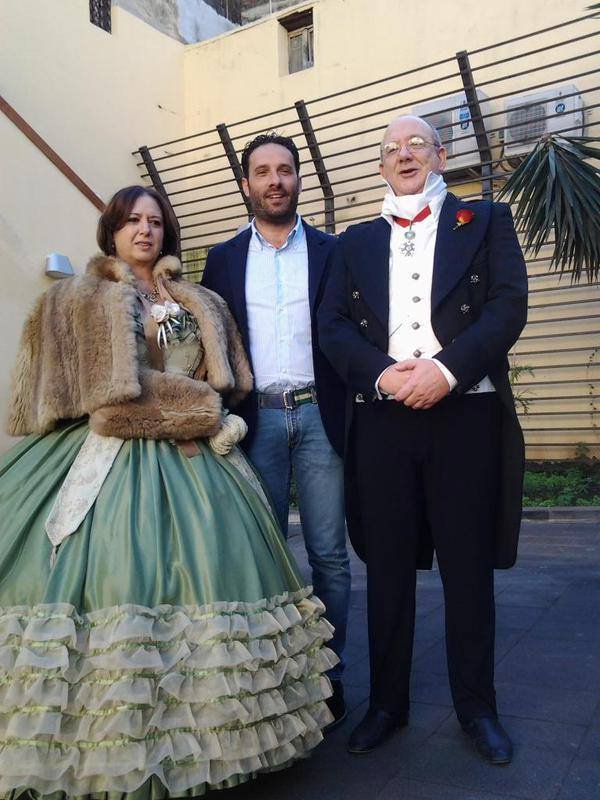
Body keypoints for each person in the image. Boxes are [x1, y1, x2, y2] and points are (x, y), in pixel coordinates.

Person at [0, 185, 338, 798]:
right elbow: (99, 391)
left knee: (213, 570)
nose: (145, 231)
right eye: (132, 220)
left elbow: (222, 376)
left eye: (155, 222)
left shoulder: (196, 297)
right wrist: (197, 410)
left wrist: (207, 407)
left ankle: (207, 736)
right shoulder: (79, 296)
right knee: (112, 568)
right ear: (111, 230)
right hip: (108, 448)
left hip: (199, 457)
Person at [318, 116, 528, 764]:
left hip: (465, 415)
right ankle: (387, 705)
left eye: (416, 144)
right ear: (381, 167)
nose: (403, 154)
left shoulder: (486, 220)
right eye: (391, 149)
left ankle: (478, 709)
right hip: (383, 418)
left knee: (468, 567)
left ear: (440, 155)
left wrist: (446, 371)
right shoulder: (353, 242)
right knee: (386, 570)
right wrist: (383, 375)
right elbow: (332, 325)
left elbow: (507, 306)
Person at [202, 133, 350, 728]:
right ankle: (273, 680)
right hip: (254, 418)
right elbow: (212, 342)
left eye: (284, 170)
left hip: (320, 415)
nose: (274, 181)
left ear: (298, 178)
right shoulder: (223, 259)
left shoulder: (333, 251)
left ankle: (332, 675)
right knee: (262, 551)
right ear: (246, 184)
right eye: (262, 171)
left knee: (329, 554)